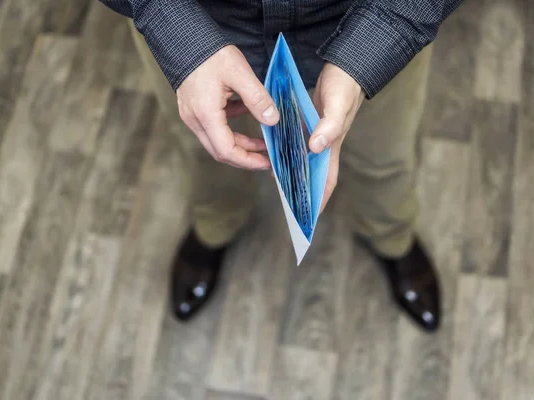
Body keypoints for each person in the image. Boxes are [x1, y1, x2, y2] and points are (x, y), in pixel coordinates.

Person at [100, 0, 463, 332]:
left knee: (384, 155)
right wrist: (178, 34)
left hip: (364, 20)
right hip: (198, 20)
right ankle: (216, 224)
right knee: (208, 155)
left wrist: (372, 47)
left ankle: (391, 235)